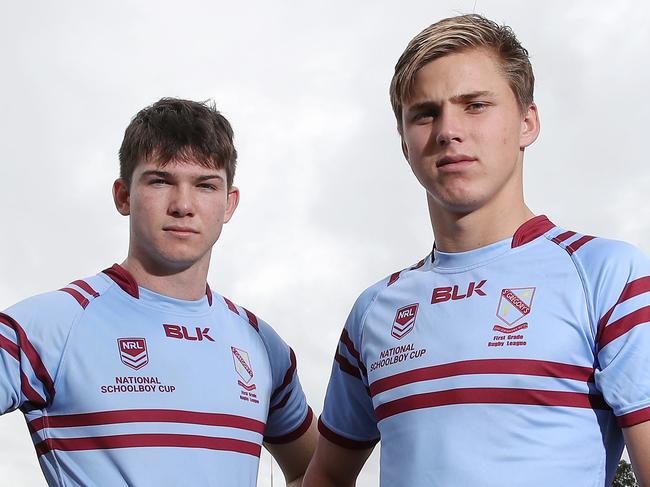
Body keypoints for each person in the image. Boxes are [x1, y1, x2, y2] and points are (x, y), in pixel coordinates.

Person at [304, 14, 650, 487]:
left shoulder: (607, 275)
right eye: (425, 113)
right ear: (405, 143)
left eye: (475, 105)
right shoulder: (373, 311)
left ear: (528, 122)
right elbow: (323, 477)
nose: (449, 130)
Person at [0, 98, 316, 486]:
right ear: (123, 196)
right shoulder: (50, 326)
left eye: (205, 185)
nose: (183, 205)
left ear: (229, 203)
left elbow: (315, 470)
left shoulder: (262, 345)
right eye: (161, 181)